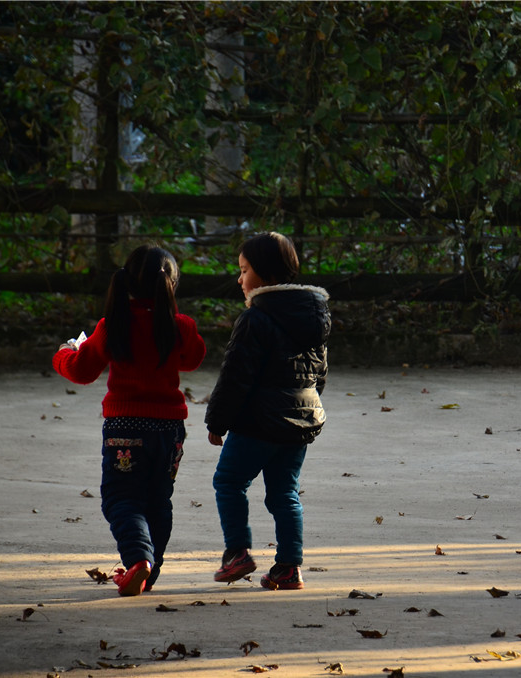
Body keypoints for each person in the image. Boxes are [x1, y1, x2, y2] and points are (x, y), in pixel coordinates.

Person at [53, 245, 206, 596]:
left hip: (124, 428)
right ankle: (149, 571)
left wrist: (64, 353)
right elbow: (193, 359)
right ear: (171, 285)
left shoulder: (112, 326)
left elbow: (81, 371)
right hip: (169, 430)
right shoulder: (180, 326)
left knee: (121, 498)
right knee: (158, 500)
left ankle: (138, 559)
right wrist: (171, 325)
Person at [205, 231, 330, 590]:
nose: (239, 279)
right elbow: (319, 374)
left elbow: (235, 376)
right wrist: (301, 406)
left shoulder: (256, 317)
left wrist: (217, 421)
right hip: (299, 422)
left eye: (244, 270)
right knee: (284, 492)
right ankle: (289, 567)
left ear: (267, 274)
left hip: (257, 423)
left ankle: (237, 553)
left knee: (229, 481)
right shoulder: (313, 315)